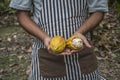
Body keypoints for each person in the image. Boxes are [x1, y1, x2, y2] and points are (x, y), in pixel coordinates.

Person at [10, 0, 108, 80]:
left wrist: (80, 33)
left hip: (82, 54)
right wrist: (45, 37)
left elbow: (98, 10)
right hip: (46, 55)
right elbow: (21, 14)